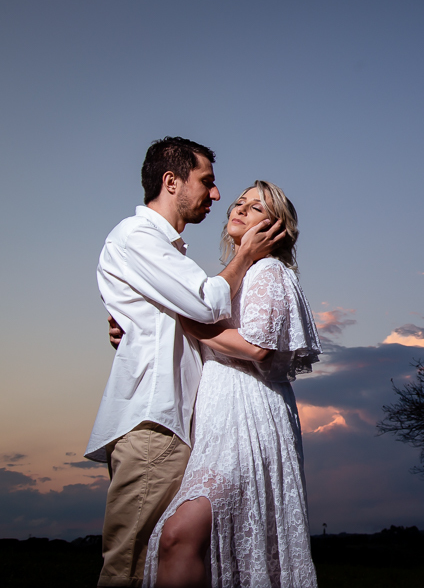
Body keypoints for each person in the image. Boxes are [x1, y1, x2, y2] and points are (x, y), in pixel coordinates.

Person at [87, 137, 285, 587]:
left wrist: (133, 328)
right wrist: (243, 258)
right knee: (130, 568)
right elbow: (204, 302)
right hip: (155, 426)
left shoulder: (169, 251)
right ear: (171, 181)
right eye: (208, 182)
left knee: (160, 560)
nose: (216, 195)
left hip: (176, 427)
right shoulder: (136, 236)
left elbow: (175, 318)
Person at [143, 181, 322, 588]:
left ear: (276, 227)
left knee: (179, 534)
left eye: (255, 206)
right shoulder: (236, 277)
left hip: (251, 423)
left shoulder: (269, 271)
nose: (239, 209)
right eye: (238, 204)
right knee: (186, 539)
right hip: (218, 426)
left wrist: (190, 326)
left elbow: (257, 349)